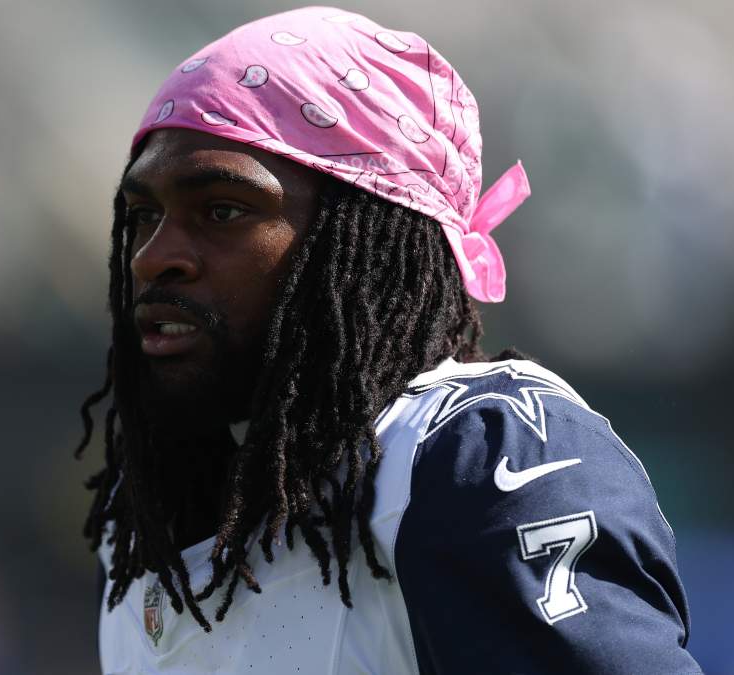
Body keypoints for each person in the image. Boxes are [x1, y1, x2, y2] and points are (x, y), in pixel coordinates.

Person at [73, 6, 701, 673]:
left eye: (223, 210)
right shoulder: (148, 509)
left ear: (365, 238)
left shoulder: (479, 458)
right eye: (142, 216)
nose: (153, 256)